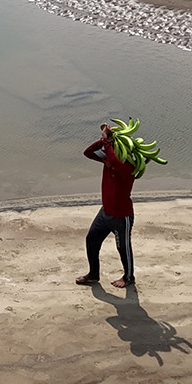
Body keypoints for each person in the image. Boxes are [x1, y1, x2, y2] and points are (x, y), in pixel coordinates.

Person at [76, 123, 136, 289]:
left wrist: (106, 139)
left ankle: (129, 277)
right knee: (91, 240)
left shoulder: (128, 167)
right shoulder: (109, 161)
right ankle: (94, 274)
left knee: (123, 248)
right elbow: (87, 152)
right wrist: (104, 141)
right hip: (105, 213)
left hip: (121, 216)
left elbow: (116, 163)